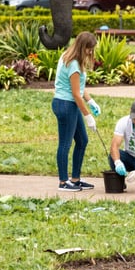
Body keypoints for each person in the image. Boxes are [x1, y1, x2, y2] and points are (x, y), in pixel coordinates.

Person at [52, 32, 97, 191]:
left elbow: (79, 88)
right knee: (65, 144)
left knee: (82, 141)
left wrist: (90, 101)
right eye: (89, 49)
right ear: (82, 47)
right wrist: (88, 116)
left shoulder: (69, 56)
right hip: (66, 105)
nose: (90, 52)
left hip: (69, 104)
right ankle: (63, 182)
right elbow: (76, 94)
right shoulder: (73, 64)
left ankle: (76, 179)